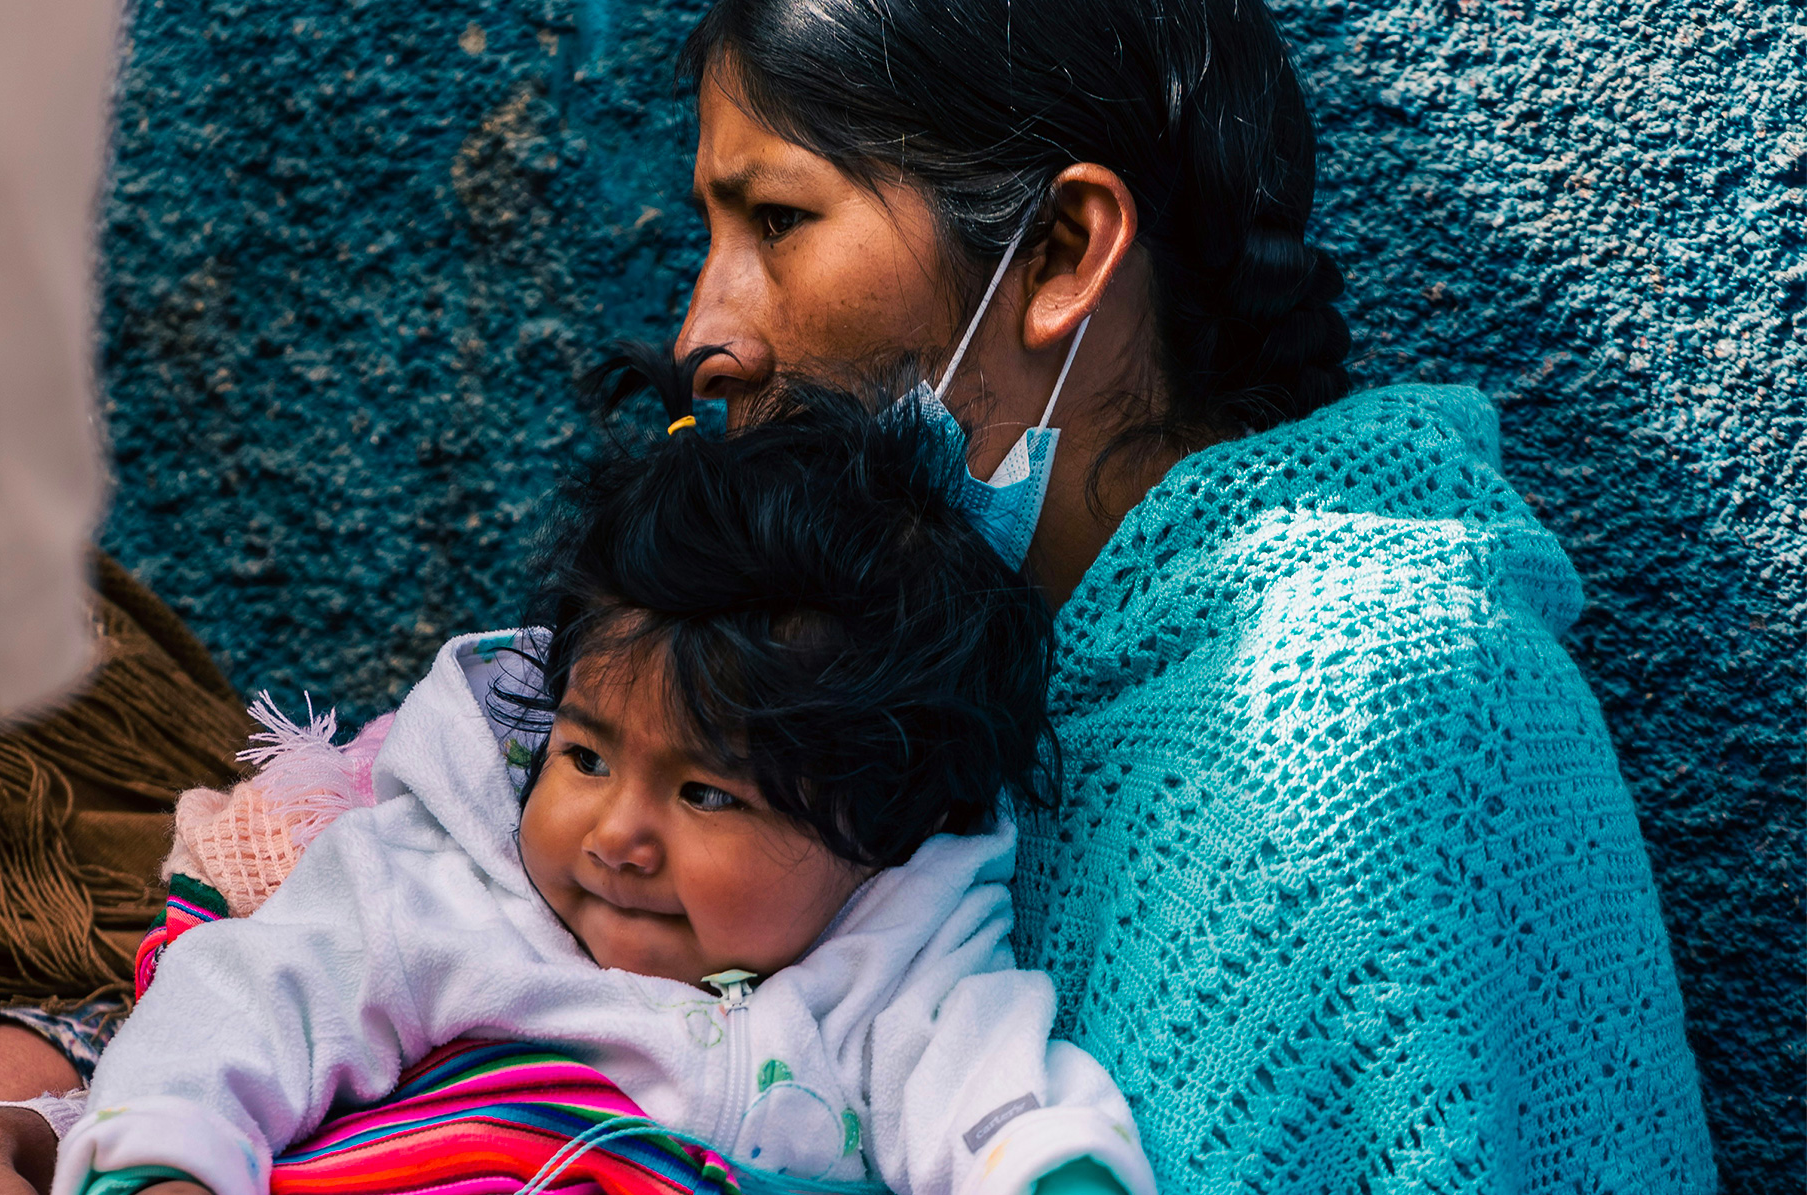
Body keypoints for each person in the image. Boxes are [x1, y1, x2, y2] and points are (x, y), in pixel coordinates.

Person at [668, 1, 1715, 1192]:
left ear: (1060, 251)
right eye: (712, 228)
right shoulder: (892, 702)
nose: (704, 334)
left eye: (778, 219)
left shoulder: (1368, 702)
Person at [49, 371, 1157, 1195]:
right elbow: (246, 1000)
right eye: (584, 756)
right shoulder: (439, 891)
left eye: (707, 794)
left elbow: (997, 1102)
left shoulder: (890, 972)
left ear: (876, 825)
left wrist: (1049, 1169)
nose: (616, 833)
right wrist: (163, 1162)